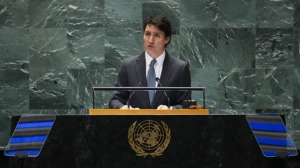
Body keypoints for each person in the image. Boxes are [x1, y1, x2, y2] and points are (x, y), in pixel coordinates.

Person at [109, 16, 191, 109]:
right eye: (147, 34)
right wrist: (123, 108)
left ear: (167, 39)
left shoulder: (180, 68)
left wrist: (170, 110)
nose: (150, 40)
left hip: (168, 122)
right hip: (135, 123)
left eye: (157, 35)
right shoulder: (129, 66)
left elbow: (185, 105)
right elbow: (115, 100)